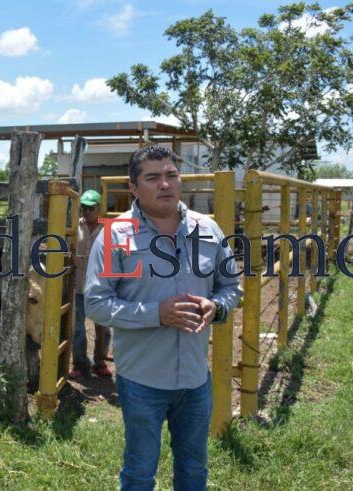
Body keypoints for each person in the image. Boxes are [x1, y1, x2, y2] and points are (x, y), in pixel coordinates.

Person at [85, 145, 242, 490]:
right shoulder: (116, 236)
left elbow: (231, 287)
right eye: (153, 177)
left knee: (194, 471)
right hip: (142, 380)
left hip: (195, 379)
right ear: (133, 187)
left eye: (171, 175)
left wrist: (217, 306)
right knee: (140, 473)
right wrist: (157, 313)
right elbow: (96, 304)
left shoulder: (208, 229)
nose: (165, 184)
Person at [70, 189, 113, 379]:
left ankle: (100, 361)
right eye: (84, 208)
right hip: (79, 284)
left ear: (99, 208)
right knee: (77, 327)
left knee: (103, 326)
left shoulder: (108, 228)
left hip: (101, 286)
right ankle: (80, 363)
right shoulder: (75, 227)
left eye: (91, 208)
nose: (86, 212)